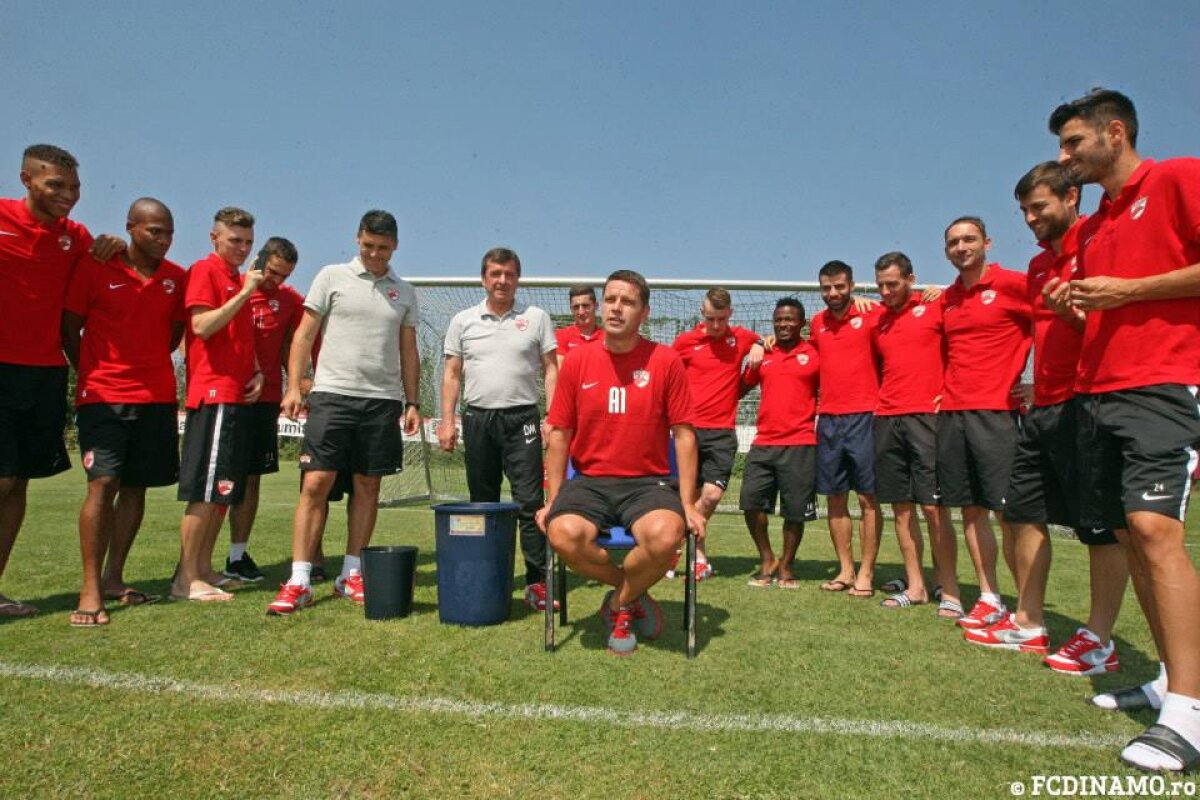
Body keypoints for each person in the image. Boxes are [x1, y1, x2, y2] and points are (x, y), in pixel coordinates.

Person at [1047, 88, 1200, 773]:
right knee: (1130, 537)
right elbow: (1107, 312)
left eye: (1073, 143)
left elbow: (1144, 294)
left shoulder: (1176, 178)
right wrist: (1078, 307)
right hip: (1100, 394)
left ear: (1115, 132)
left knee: (1155, 530)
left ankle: (1191, 717)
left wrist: (1128, 291)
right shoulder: (1096, 226)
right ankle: (1173, 680)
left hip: (1165, 386)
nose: (1064, 157)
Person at [964, 162, 1129, 674]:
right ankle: (1029, 621)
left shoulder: (1099, 246)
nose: (1032, 218)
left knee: (1100, 526)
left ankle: (1099, 637)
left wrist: (1073, 317)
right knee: (1020, 512)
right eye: (1025, 211)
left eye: (1040, 207)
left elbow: (1117, 326)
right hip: (1043, 408)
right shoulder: (1037, 267)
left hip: (1090, 403)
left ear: (1072, 197)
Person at [538, 269, 704, 655]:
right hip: (590, 483)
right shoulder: (577, 361)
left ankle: (617, 604)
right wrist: (552, 500)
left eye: (627, 302)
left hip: (647, 484)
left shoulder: (665, 361)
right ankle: (629, 590)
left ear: (644, 313)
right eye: (610, 299)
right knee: (561, 533)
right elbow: (559, 434)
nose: (616, 308)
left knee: (667, 534)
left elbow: (684, 435)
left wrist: (689, 505)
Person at [267, 210, 421, 615]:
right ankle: (299, 579)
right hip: (332, 395)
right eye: (368, 245)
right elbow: (303, 335)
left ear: (395, 247)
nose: (374, 254)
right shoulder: (331, 276)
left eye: (383, 248)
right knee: (315, 483)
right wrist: (292, 386)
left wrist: (412, 401)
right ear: (357, 239)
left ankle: (351, 573)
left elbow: (408, 351)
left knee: (368, 486)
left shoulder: (404, 292)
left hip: (381, 400)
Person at [0, 144, 124, 618]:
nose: (68, 195)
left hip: (45, 373)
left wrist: (110, 248)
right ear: (26, 179)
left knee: (20, 483)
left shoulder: (76, 238)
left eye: (74, 187)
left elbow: (105, 277)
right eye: (56, 185)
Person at [60, 198, 185, 626]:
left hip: (156, 398)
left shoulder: (176, 279)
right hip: (103, 397)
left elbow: (173, 334)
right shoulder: (97, 265)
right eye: (154, 231)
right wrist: (94, 373)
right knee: (103, 483)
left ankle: (115, 578)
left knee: (136, 487)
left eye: (168, 232)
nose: (163, 241)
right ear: (130, 227)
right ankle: (90, 588)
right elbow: (69, 326)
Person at [438, 247, 558, 611]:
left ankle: (537, 582)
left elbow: (552, 369)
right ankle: (487, 573)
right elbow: (452, 374)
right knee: (482, 501)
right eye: (495, 273)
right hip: (477, 420)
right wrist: (447, 419)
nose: (502, 280)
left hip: (522, 419)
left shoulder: (536, 317)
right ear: (483, 278)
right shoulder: (463, 320)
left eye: (509, 274)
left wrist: (552, 417)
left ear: (518, 279)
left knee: (529, 501)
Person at [937, 217, 1032, 629]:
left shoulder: (1014, 285)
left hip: (998, 414)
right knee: (971, 511)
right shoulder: (946, 299)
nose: (961, 247)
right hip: (954, 415)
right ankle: (989, 596)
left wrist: (1038, 381)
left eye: (969, 239)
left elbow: (1053, 323)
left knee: (1009, 514)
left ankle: (1027, 605)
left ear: (987, 243)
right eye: (954, 242)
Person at [174, 207, 265, 602]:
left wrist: (258, 370)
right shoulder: (204, 271)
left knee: (222, 491)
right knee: (205, 490)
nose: (243, 249)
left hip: (237, 395)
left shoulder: (234, 277)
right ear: (214, 238)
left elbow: (240, 338)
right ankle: (184, 579)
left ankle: (205, 568)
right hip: (213, 395)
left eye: (247, 242)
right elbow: (200, 326)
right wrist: (245, 292)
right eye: (235, 241)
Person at [871, 252, 958, 613]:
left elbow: (961, 351)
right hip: (887, 418)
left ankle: (949, 588)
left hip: (927, 418)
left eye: (893, 283)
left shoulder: (936, 306)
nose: (887, 291)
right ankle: (917, 585)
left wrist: (948, 392)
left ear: (911, 278)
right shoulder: (877, 320)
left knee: (933, 508)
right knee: (901, 509)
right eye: (880, 285)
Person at [223, 237, 302, 583]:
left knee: (252, 479)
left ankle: (236, 556)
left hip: (266, 400)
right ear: (259, 260)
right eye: (272, 272)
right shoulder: (231, 288)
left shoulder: (290, 300)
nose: (276, 281)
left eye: (284, 276)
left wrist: (301, 381)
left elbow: (299, 341)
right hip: (226, 397)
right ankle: (194, 563)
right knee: (221, 481)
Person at [670, 287, 764, 579]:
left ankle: (676, 545)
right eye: (710, 318)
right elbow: (667, 379)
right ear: (702, 313)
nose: (715, 326)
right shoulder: (685, 342)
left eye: (721, 319)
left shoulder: (742, 338)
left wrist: (761, 343)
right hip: (687, 431)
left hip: (722, 432)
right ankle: (698, 557)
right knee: (688, 495)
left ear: (730, 315)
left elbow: (764, 343)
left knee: (710, 496)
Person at [808, 261, 884, 597]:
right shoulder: (816, 324)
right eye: (826, 287)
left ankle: (867, 572)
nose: (833, 293)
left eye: (839, 286)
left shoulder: (873, 314)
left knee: (868, 497)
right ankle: (845, 569)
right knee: (835, 498)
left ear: (852, 285)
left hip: (866, 416)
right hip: (829, 420)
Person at [738, 298, 818, 589]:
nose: (784, 324)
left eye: (790, 320)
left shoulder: (814, 353)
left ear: (802, 323)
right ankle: (767, 558)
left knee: (795, 511)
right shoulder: (765, 354)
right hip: (764, 443)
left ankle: (786, 566)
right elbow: (738, 388)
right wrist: (753, 353)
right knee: (750, 502)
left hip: (800, 443)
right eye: (779, 320)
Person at [555, 284, 604, 366]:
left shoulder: (607, 337)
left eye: (585, 306)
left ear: (596, 306)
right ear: (571, 309)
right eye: (576, 307)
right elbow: (560, 371)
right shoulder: (561, 336)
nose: (581, 312)